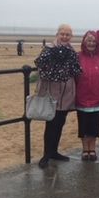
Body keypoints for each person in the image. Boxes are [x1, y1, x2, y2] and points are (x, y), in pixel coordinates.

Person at [34, 24, 82, 168]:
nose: (65, 36)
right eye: (62, 34)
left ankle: (54, 151)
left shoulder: (71, 51)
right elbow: (40, 65)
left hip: (66, 92)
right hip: (52, 92)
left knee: (60, 122)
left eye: (67, 34)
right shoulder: (49, 48)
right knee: (51, 123)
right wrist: (55, 68)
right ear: (57, 34)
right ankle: (46, 154)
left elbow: (75, 69)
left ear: (71, 36)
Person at [75, 31, 99, 161]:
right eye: (88, 40)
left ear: (97, 43)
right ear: (84, 42)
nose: (91, 43)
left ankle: (93, 149)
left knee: (95, 126)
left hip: (98, 98)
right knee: (83, 126)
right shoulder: (78, 56)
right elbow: (73, 76)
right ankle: (85, 149)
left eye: (93, 41)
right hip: (82, 97)